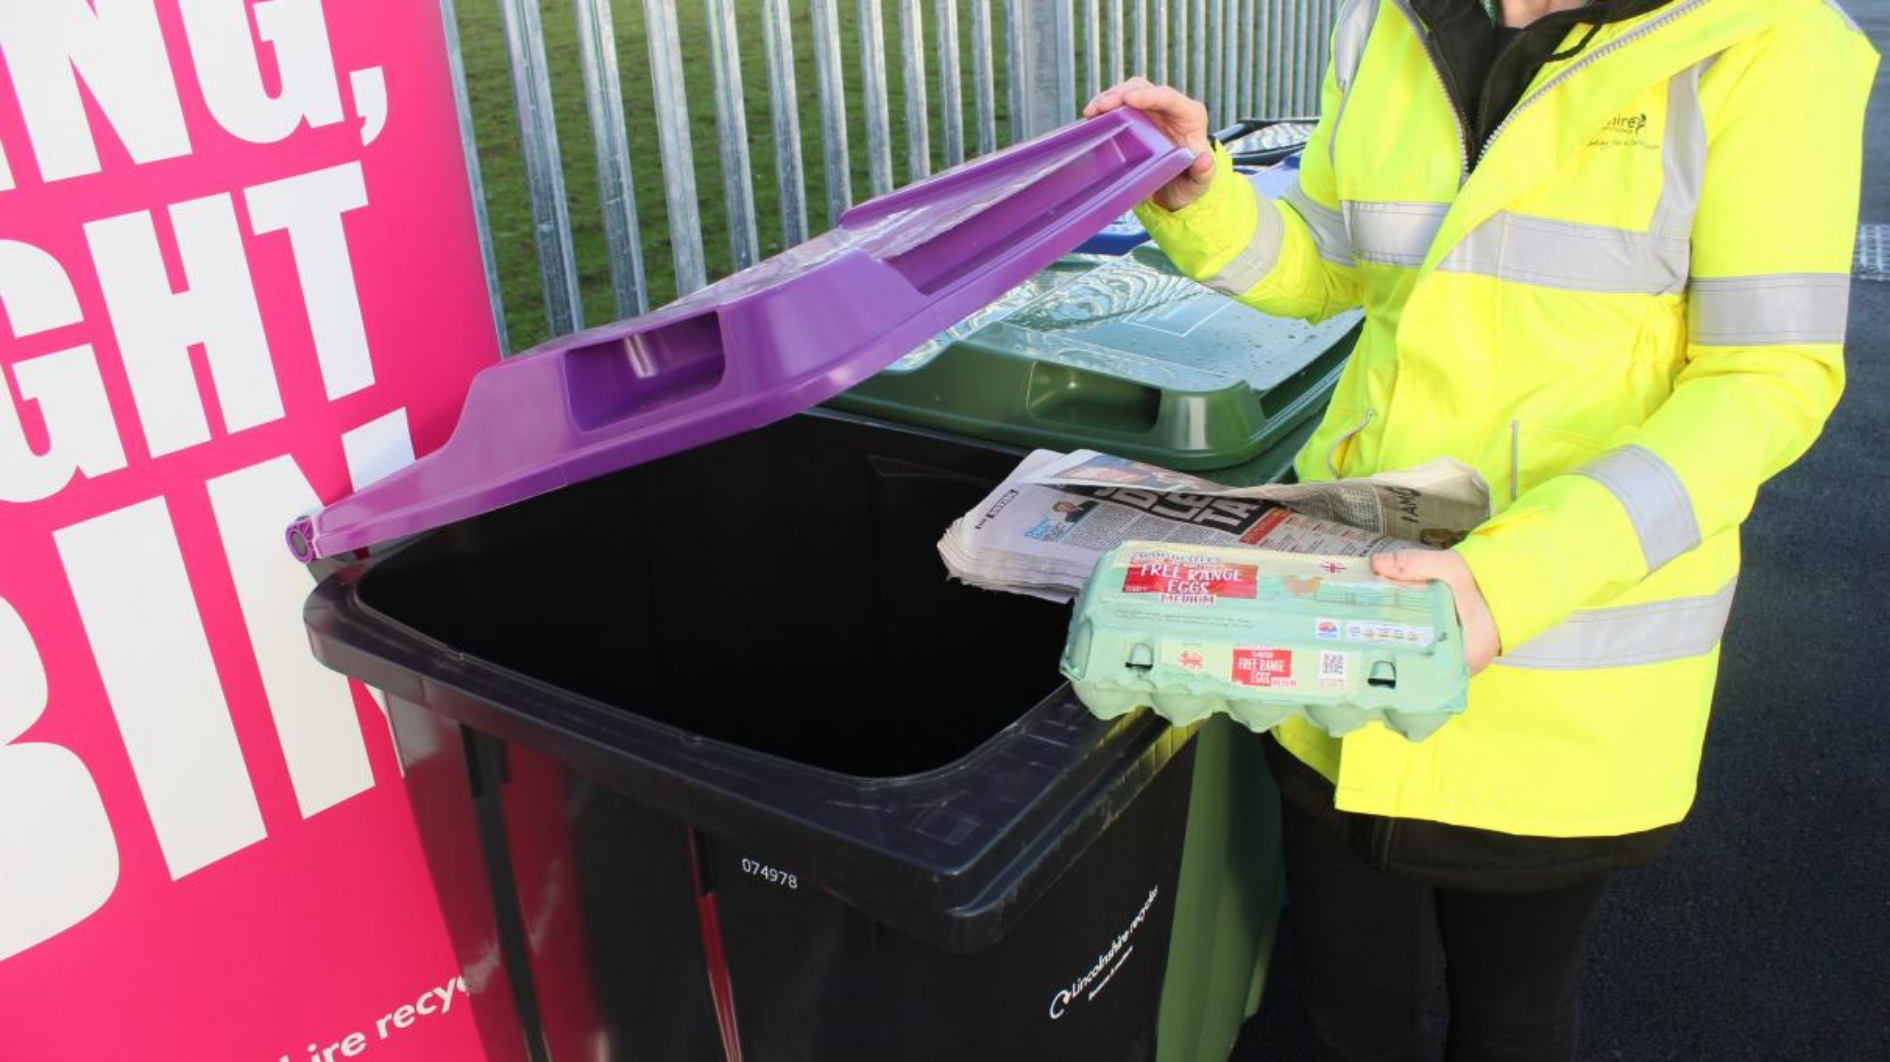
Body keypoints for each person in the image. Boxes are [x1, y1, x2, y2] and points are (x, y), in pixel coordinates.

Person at [1085, 0, 1876, 1059]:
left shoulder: (1774, 41)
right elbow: (1332, 260)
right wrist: (1205, 197)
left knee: (1512, 1013)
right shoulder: (1386, 21)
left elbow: (1766, 380)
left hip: (1555, 677)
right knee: (1345, 1005)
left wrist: (1514, 581)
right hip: (1347, 632)